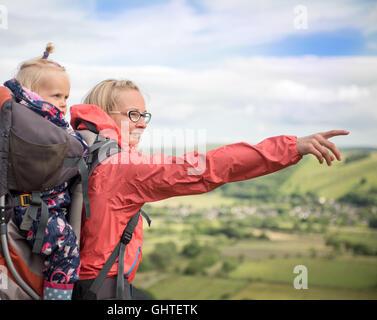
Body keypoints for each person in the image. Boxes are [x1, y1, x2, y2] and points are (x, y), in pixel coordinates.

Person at [70, 79, 349, 300]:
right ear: (106, 114)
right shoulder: (120, 167)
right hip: (103, 288)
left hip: (83, 282)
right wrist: (291, 147)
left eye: (145, 115)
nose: (143, 123)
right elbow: (207, 168)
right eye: (133, 114)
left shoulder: (84, 155)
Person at [4, 43, 87, 300]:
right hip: (34, 207)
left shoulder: (29, 118)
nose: (63, 104)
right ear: (33, 94)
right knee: (67, 248)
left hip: (38, 205)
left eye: (66, 97)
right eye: (56, 96)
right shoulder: (40, 118)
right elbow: (74, 148)